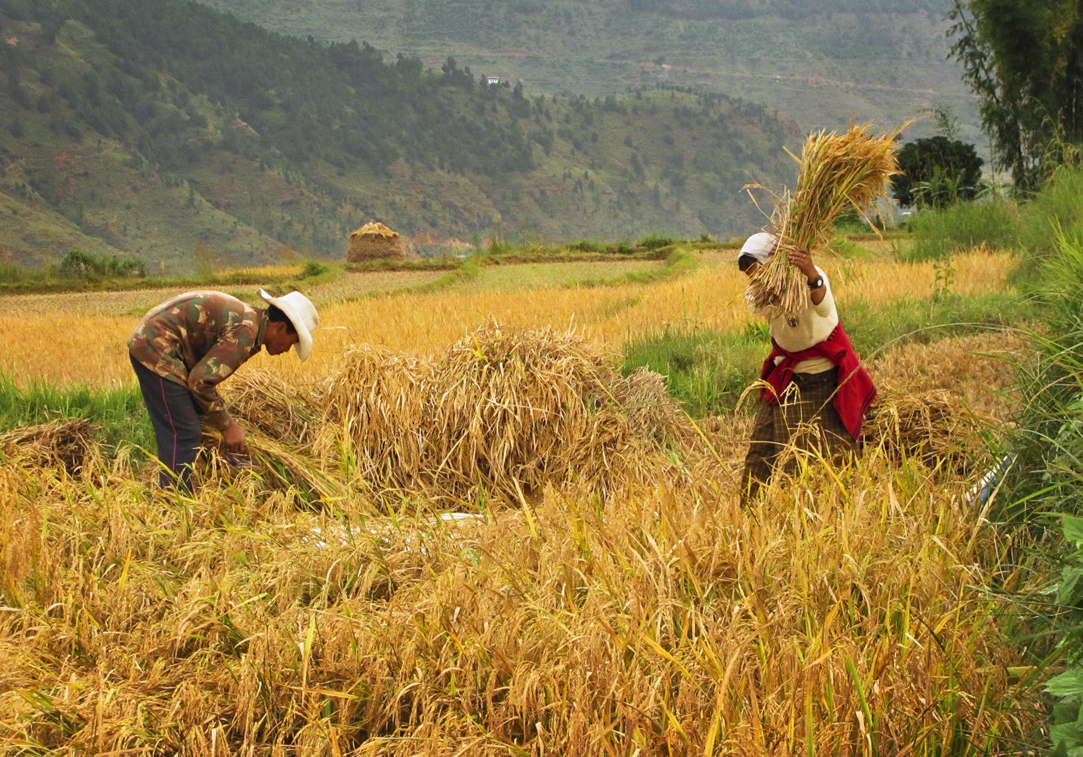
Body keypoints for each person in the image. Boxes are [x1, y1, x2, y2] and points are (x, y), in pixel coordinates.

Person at [128, 289, 319, 490]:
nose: (287, 350)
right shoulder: (246, 332)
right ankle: (174, 502)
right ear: (280, 328)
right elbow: (200, 383)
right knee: (185, 432)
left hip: (161, 346)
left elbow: (202, 379)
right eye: (292, 342)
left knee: (197, 417)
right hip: (156, 347)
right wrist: (228, 426)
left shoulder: (250, 323)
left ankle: (203, 479)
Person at [738, 232, 876, 503]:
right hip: (784, 375)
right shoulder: (759, 292)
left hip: (820, 376)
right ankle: (749, 517)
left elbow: (824, 308)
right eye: (751, 275)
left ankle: (809, 516)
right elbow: (758, 305)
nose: (755, 279)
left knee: (803, 460)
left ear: (773, 262)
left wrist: (810, 272)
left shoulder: (811, 277)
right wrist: (774, 279)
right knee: (760, 452)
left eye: (758, 271)